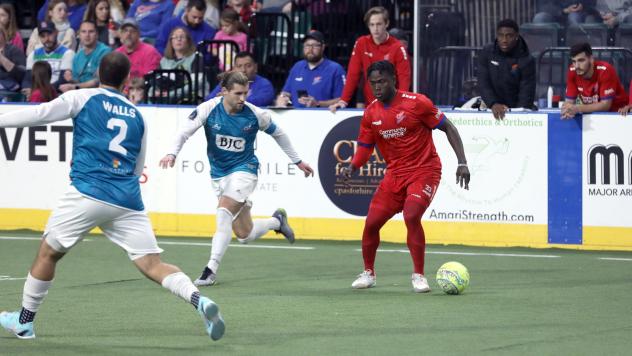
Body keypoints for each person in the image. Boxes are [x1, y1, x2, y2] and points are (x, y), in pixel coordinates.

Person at [0, 51, 225, 341]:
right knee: (152, 264)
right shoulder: (137, 115)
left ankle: (24, 321)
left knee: (48, 253)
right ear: (127, 80)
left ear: (98, 74)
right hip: (127, 199)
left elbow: (39, 114)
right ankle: (199, 301)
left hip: (87, 192)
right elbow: (138, 167)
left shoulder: (82, 98)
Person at [159, 71, 314, 286]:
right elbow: (184, 132)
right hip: (219, 174)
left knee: (223, 214)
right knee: (244, 234)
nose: (243, 99)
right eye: (237, 93)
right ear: (224, 91)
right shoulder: (209, 108)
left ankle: (210, 270)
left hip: (245, 170)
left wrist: (297, 161)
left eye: (245, 93)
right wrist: (172, 153)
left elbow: (279, 133)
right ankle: (276, 221)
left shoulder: (255, 114)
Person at [340, 60, 470, 293]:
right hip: (395, 175)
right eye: (372, 83)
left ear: (393, 80)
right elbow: (365, 147)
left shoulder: (417, 103)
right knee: (371, 224)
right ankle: (368, 273)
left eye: (382, 82)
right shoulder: (371, 113)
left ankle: (419, 275)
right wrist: (353, 165)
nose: (377, 87)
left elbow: (449, 127)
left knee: (411, 215)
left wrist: (462, 162)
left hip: (425, 170)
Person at [329, 6, 411, 112]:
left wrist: (399, 104)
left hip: (392, 105)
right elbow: (353, 74)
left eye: (379, 24)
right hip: (370, 105)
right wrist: (343, 100)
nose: (375, 28)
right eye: (372, 25)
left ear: (386, 24)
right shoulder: (361, 43)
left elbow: (404, 78)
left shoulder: (397, 47)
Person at [477, 19, 536, 120]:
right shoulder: (487, 52)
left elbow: (526, 93)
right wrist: (493, 103)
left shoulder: (527, 59)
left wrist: (516, 117)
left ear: (516, 36)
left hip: (517, 110)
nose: (504, 40)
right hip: (491, 105)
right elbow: (483, 82)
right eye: (501, 35)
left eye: (509, 35)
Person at [275, 30, 346, 108]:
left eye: (315, 45)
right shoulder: (297, 66)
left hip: (324, 117)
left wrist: (318, 104)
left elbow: (342, 100)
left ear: (323, 47)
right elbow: (286, 92)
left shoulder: (335, 69)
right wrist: (282, 99)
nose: (310, 49)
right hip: (296, 117)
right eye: (307, 45)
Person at [562, 42, 628, 119]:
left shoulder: (605, 70)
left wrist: (578, 108)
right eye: (574, 61)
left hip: (619, 114)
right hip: (594, 115)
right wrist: (567, 110)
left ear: (591, 59)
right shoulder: (572, 71)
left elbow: (605, 105)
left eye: (581, 60)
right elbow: (569, 102)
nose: (576, 66)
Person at [22, 21, 75, 99]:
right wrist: (28, 89)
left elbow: (63, 80)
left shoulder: (67, 53)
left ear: (56, 32)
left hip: (57, 94)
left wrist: (41, 91)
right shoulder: (33, 55)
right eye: (43, 36)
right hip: (37, 94)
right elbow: (27, 79)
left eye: (49, 34)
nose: (47, 39)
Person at [205, 51, 274, 107]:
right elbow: (209, 100)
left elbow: (262, 101)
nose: (243, 70)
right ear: (234, 68)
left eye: (248, 66)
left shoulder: (265, 84)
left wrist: (230, 99)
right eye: (239, 66)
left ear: (255, 67)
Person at [59, 20, 112, 92]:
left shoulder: (105, 51)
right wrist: (71, 79)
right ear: (79, 35)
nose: (87, 35)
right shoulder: (77, 57)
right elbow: (78, 81)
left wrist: (75, 86)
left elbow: (99, 81)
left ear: (97, 34)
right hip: (81, 94)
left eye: (91, 31)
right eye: (83, 32)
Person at [0, 27, 26, 100]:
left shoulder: (14, 50)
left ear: (4, 35)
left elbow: (21, 75)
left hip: (9, 91)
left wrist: (2, 59)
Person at [532, 1, 600, 24]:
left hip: (579, 12)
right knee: (539, 18)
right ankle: (542, 54)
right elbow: (543, 6)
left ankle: (577, 52)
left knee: (573, 18)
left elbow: (592, 3)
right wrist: (564, 10)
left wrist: (582, 5)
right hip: (556, 13)